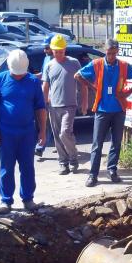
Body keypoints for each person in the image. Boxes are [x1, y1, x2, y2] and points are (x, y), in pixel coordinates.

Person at [75, 38, 132, 187]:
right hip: (102, 110)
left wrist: (127, 93)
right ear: (104, 51)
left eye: (113, 53)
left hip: (119, 110)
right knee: (97, 144)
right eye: (108, 53)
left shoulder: (124, 66)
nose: (111, 56)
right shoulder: (97, 64)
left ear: (117, 51)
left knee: (116, 142)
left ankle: (112, 170)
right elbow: (78, 75)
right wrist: (93, 87)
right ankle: (93, 175)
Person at [0, 49, 46, 214]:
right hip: (6, 132)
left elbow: (40, 108)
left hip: (27, 132)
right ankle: (6, 200)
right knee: (6, 166)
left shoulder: (33, 82)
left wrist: (42, 131)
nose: (19, 76)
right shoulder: (0, 80)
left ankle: (28, 198)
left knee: (27, 166)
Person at [42, 34, 88, 174]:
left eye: (61, 51)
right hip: (53, 106)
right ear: (52, 50)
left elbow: (83, 85)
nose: (59, 54)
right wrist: (44, 104)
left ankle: (73, 159)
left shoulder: (74, 63)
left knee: (64, 133)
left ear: (65, 49)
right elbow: (45, 86)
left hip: (70, 105)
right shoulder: (49, 65)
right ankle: (63, 163)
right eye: (56, 51)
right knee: (57, 136)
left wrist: (84, 102)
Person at [34, 35, 54, 158]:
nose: (44, 50)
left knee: (49, 124)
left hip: (54, 97)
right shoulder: (46, 59)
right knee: (44, 122)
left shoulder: (57, 60)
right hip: (44, 95)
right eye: (44, 48)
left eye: (47, 48)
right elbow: (43, 75)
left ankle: (40, 147)